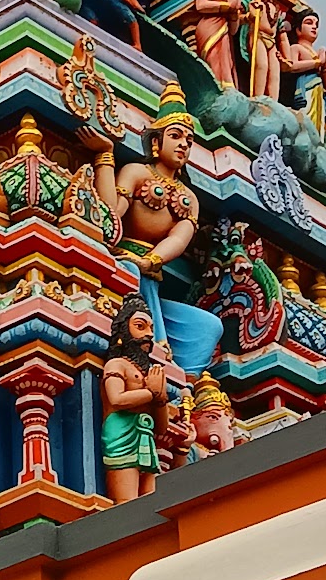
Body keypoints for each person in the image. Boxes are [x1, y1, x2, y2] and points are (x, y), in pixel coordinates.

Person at [85, 80, 223, 376]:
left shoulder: (189, 199)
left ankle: (184, 385)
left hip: (149, 272)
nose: (184, 144)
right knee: (135, 276)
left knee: (209, 326)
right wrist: (105, 157)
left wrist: (151, 261)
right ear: (157, 143)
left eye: (189, 140)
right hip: (121, 264)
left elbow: (180, 238)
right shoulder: (136, 172)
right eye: (176, 136)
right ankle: (156, 355)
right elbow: (111, 214)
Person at [101, 296, 168, 504]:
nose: (148, 334)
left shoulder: (152, 373)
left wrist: (160, 400)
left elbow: (162, 428)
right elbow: (116, 399)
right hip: (121, 434)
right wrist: (152, 393)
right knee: (127, 503)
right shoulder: (116, 365)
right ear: (123, 332)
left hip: (146, 436)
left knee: (151, 503)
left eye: (150, 328)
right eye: (140, 326)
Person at [277, 9, 326, 134]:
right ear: (298, 29)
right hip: (306, 90)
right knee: (305, 121)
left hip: (318, 93)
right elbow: (292, 66)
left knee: (317, 126)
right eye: (309, 23)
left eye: (316, 24)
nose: (314, 27)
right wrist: (316, 63)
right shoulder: (296, 48)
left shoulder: (316, 53)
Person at [192, 0, 243, 89]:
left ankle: (226, 87)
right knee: (212, 56)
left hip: (224, 30)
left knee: (226, 60)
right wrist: (227, 7)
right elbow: (201, 5)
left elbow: (233, 30)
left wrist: (234, 13)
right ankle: (215, 86)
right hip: (208, 28)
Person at [239, 0, 287, 101]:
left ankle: (273, 103)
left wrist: (287, 58)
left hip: (272, 42)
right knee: (262, 66)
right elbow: (236, 17)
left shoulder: (276, 7)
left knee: (275, 73)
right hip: (257, 36)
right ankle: (257, 98)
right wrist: (250, 16)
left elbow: (282, 37)